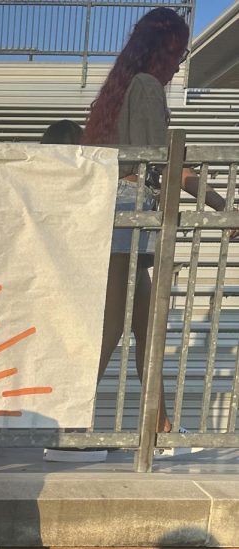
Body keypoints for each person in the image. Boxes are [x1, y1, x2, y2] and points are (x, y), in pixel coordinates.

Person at [83, 6, 238, 435]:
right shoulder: (148, 87)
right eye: (179, 51)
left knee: (145, 326)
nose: (181, 61)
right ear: (163, 50)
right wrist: (220, 203)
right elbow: (167, 164)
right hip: (129, 220)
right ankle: (69, 425)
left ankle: (160, 423)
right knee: (115, 326)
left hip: (121, 217)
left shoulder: (124, 87)